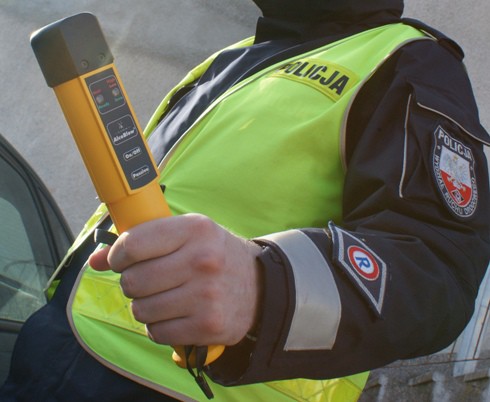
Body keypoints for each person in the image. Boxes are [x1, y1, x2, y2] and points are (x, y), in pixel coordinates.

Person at [1, 0, 489, 400]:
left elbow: (437, 265)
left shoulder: (407, 60)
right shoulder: (227, 60)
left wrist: (263, 286)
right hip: (54, 357)